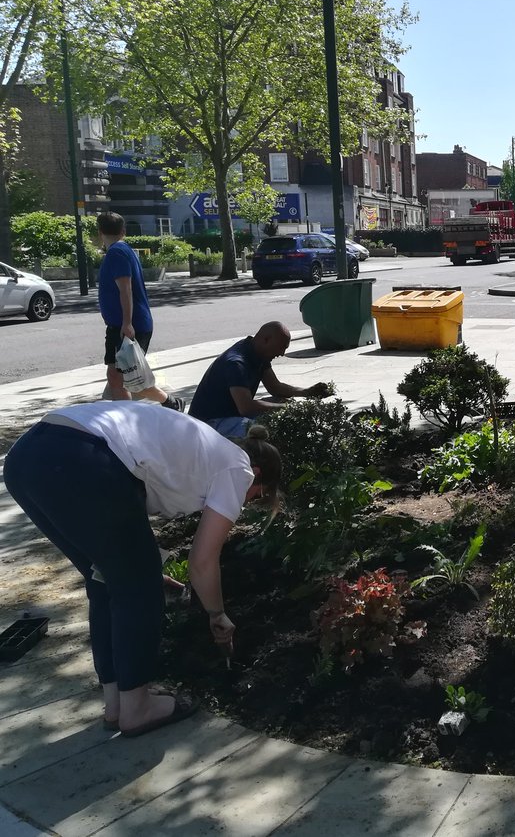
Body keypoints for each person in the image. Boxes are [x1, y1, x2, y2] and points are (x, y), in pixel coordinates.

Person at [3, 402, 281, 737]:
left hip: (28, 458)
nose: (243, 503)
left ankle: (116, 703)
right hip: (79, 458)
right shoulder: (239, 468)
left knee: (104, 580)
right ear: (259, 475)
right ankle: (137, 708)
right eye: (255, 498)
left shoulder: (204, 451)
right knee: (138, 589)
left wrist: (147, 573)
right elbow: (202, 560)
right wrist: (216, 614)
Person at [96, 211, 183, 410]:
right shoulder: (124, 250)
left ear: (100, 232)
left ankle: (133, 417)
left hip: (125, 325)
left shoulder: (116, 253)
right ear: (123, 231)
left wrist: (127, 323)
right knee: (123, 377)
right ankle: (169, 404)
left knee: (125, 378)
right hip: (126, 324)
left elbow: (125, 289)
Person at [188, 321, 332, 438]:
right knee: (266, 429)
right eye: (281, 347)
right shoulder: (236, 363)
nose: (282, 353)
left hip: (231, 413)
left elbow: (275, 387)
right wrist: (286, 409)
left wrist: (308, 392)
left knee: (279, 402)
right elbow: (246, 407)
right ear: (266, 340)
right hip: (209, 424)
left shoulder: (258, 353)